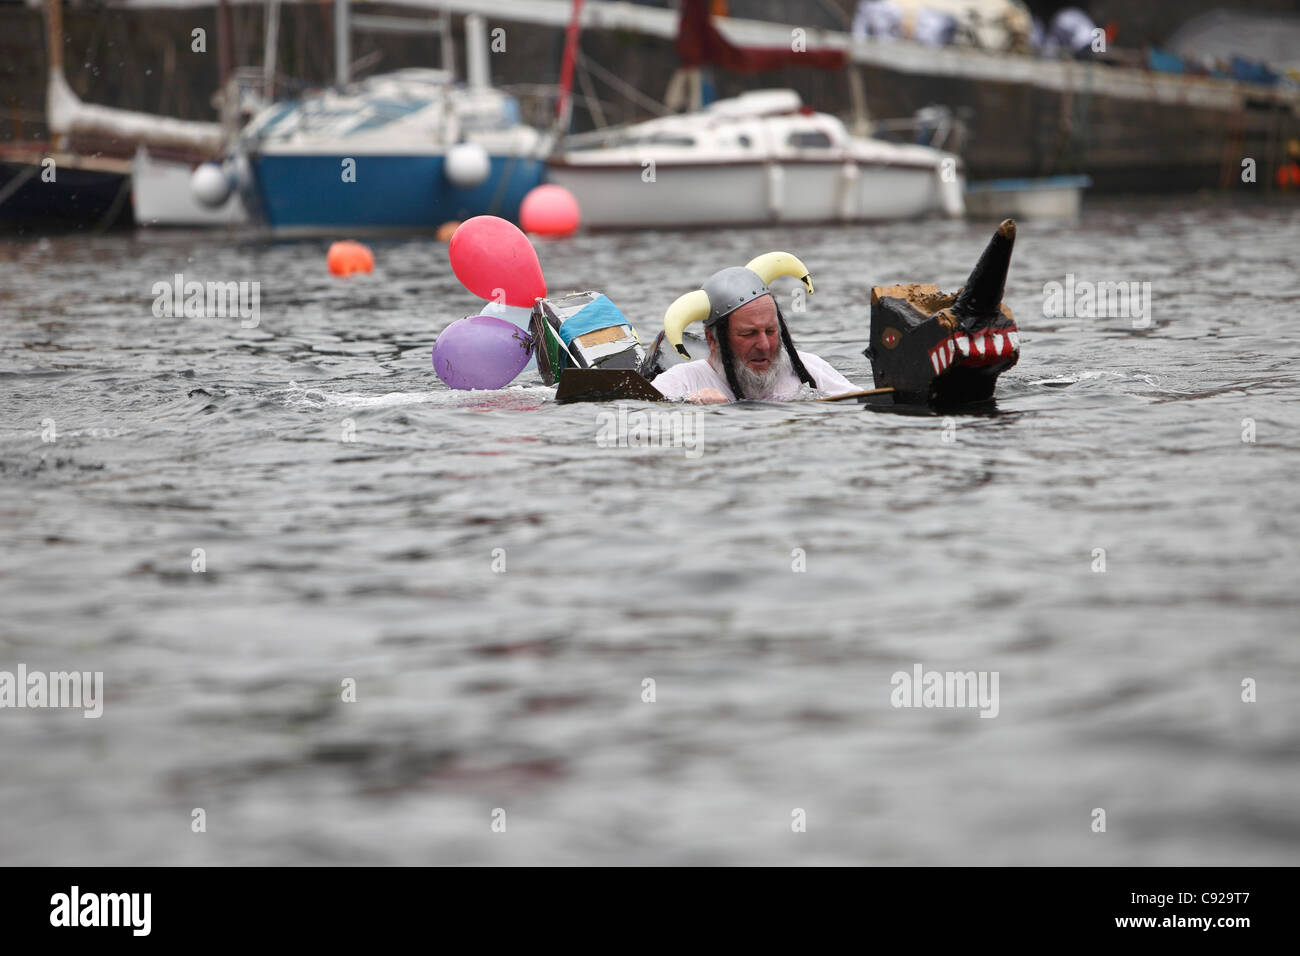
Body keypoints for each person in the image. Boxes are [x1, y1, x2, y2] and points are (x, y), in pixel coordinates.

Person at [652, 265, 861, 403]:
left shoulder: (811, 370)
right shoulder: (680, 383)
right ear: (712, 339)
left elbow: (865, 404)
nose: (764, 345)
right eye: (748, 334)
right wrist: (694, 410)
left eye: (770, 331)